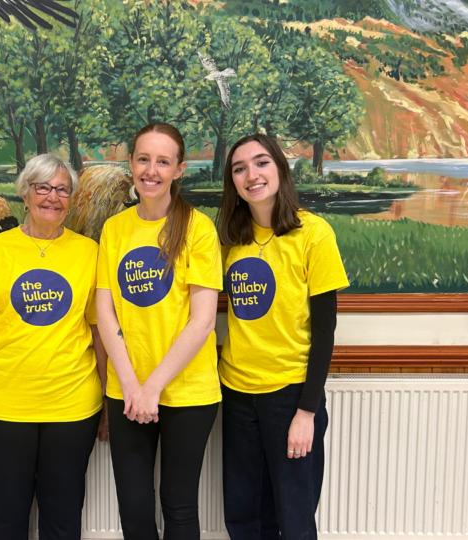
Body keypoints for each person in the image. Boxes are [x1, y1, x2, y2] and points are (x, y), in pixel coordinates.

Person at [0, 154, 107, 540]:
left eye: (62, 189)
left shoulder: (89, 252)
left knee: (63, 515)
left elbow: (98, 330)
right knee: (6, 516)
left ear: (71, 199)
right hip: (2, 406)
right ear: (25, 193)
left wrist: (109, 399)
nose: (52, 197)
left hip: (72, 407)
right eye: (43, 187)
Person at [216, 134, 349, 539]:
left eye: (261, 163)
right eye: (240, 169)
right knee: (244, 516)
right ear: (233, 183)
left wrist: (306, 412)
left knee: (293, 516)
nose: (251, 175)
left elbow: (325, 329)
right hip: (237, 393)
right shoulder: (230, 241)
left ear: (280, 169)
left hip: (290, 396)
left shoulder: (314, 233)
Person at [95, 123, 222, 539]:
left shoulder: (198, 228)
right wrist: (133, 386)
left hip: (187, 392)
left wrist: (154, 388)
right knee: (133, 508)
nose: (151, 170)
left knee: (179, 505)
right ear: (131, 163)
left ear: (179, 169)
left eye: (163, 161)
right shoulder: (115, 229)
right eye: (143, 159)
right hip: (127, 390)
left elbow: (202, 321)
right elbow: (105, 310)